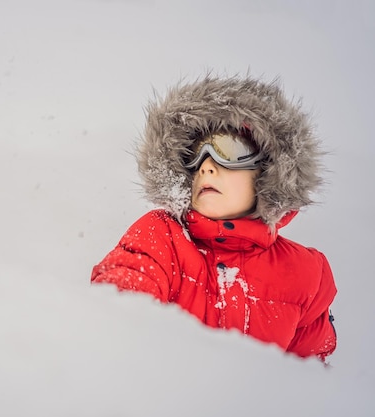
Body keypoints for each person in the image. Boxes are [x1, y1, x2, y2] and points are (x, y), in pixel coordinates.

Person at [91, 75, 337, 361]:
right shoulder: (162, 237)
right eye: (196, 156)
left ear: (269, 171)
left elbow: (310, 380)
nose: (206, 167)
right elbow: (117, 317)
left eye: (229, 151)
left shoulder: (305, 273)